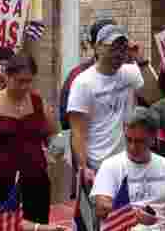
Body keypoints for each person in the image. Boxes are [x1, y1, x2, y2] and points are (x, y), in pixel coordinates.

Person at [0, 53, 56, 223]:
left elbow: (53, 134)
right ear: (7, 76)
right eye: (19, 81)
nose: (24, 86)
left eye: (28, 81)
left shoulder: (38, 103)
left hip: (35, 183)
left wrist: (53, 152)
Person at [66, 20, 160, 183]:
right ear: (97, 48)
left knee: (129, 209)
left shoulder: (130, 73)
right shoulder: (83, 82)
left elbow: (154, 97)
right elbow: (77, 131)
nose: (119, 53)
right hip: (98, 165)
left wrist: (141, 60)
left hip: (130, 160)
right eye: (113, 47)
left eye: (123, 48)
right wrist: (83, 167)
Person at [92, 108, 165, 225]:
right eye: (128, 140)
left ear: (153, 138)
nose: (132, 147)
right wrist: (133, 213)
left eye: (139, 141)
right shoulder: (110, 165)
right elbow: (101, 207)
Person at [58, 18, 112, 130]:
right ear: (95, 46)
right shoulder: (78, 76)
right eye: (107, 43)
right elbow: (66, 120)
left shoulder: (128, 72)